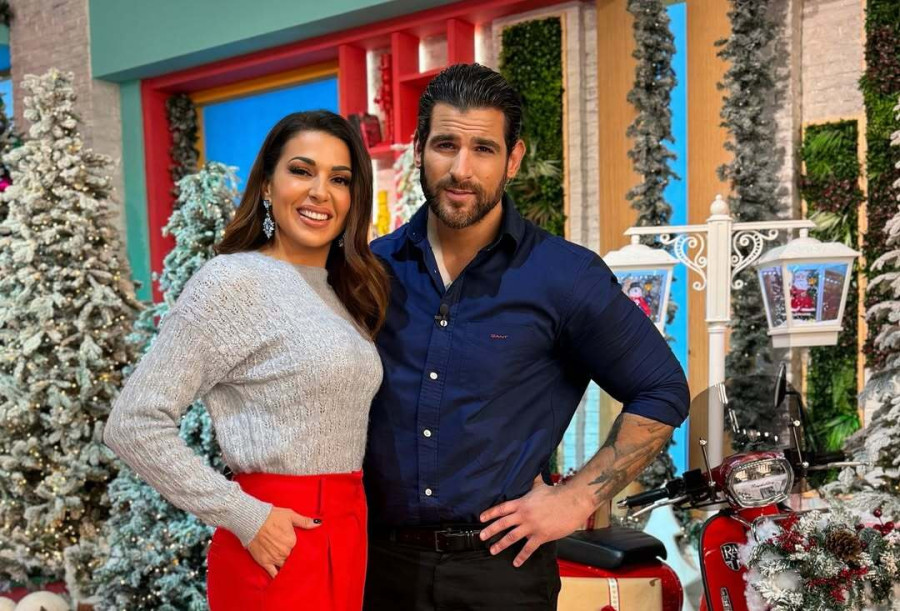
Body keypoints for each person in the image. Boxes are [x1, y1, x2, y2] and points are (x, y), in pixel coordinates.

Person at [363, 64, 690, 610]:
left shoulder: (564, 276)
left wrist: (577, 499)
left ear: (512, 159)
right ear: (419, 149)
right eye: (445, 145)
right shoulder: (372, 271)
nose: (461, 170)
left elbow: (662, 389)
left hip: (502, 574)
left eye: (483, 149)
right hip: (377, 570)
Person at [105, 110, 389, 611]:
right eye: (301, 171)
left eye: (339, 179)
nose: (320, 192)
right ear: (266, 186)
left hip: (346, 534)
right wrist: (244, 515)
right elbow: (133, 422)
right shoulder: (232, 282)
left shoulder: (342, 291)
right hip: (276, 542)